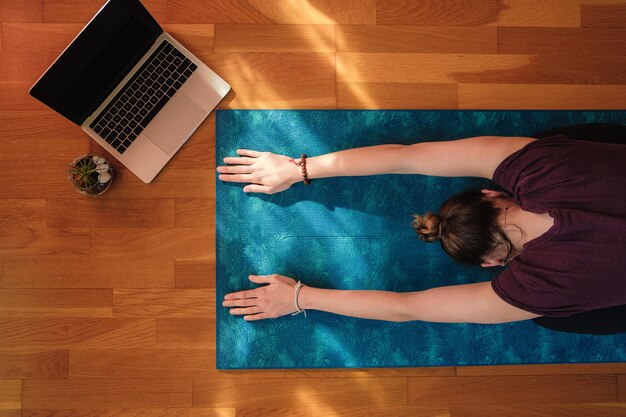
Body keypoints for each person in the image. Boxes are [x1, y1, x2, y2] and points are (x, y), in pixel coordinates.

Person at [218, 124, 626, 334]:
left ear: (489, 262)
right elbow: (405, 158)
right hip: (570, 164)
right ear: (488, 194)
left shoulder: (535, 289)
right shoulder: (537, 167)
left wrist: (300, 297)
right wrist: (299, 167)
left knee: (548, 317)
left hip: (548, 294)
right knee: (551, 142)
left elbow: (407, 308)